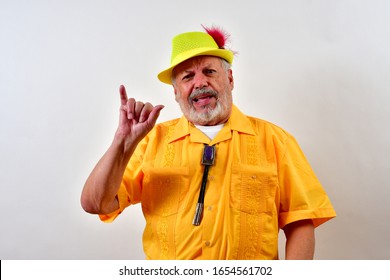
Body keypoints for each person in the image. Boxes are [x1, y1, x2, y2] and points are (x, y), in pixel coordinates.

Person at [81, 25, 336, 260]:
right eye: (187, 77)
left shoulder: (276, 141)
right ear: (176, 92)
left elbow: (300, 222)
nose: (200, 83)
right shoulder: (150, 142)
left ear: (230, 79)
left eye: (210, 71)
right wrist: (121, 143)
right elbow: (95, 204)